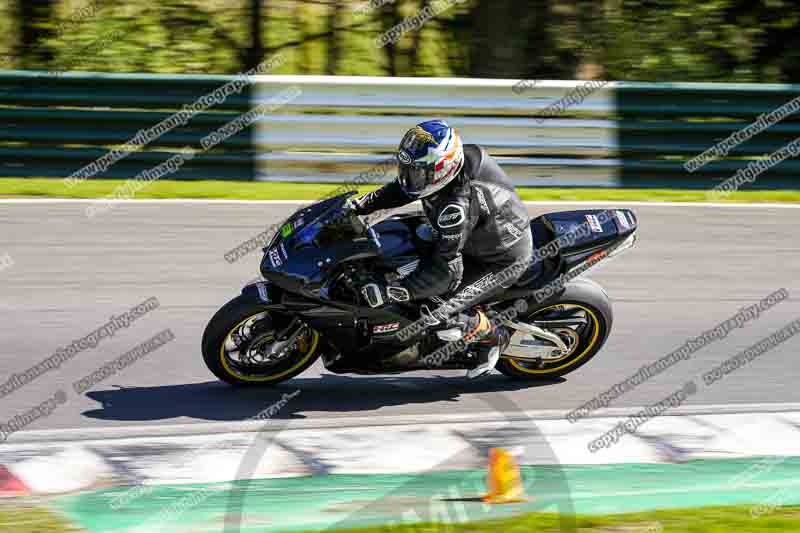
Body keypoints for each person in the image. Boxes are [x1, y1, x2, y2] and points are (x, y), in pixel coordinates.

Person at [351, 119, 533, 379]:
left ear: (441, 170)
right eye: (407, 168)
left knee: (434, 310)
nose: (408, 176)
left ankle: (491, 335)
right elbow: (405, 189)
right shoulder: (445, 168)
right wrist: (361, 205)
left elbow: (446, 271)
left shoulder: (455, 208)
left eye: (417, 172)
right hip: (475, 233)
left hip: (500, 259)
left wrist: (395, 292)